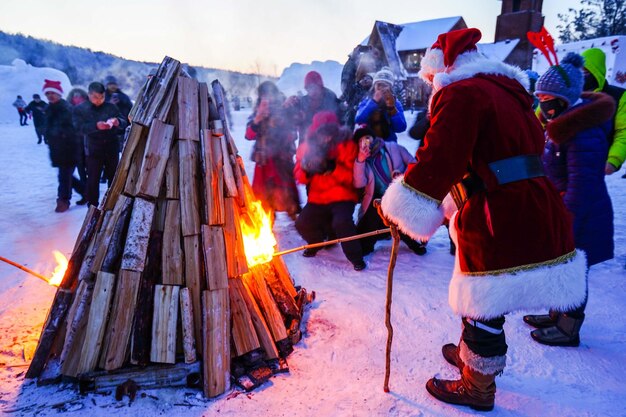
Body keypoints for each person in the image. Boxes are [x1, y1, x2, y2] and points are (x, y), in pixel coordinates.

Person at [378, 28, 586, 411]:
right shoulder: (508, 92)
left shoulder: (461, 93)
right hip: (530, 202)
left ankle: (478, 385)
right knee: (488, 294)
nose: (428, 83)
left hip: (499, 211)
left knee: (483, 298)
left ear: (444, 68)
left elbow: (441, 157)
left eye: (429, 76)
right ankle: (470, 355)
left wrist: (402, 202)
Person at [522, 53, 615, 346]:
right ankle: (557, 313)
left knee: (574, 269)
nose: (542, 103)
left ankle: (569, 327)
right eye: (540, 97)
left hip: (581, 213)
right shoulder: (562, 123)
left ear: (564, 98)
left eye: (547, 97)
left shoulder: (582, 131)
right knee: (561, 267)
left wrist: (566, 221)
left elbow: (582, 184)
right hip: (563, 208)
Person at [294, 111, 365, 271]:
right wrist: (308, 169)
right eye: (322, 133)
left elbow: (350, 177)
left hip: (342, 195)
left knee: (342, 222)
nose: (325, 137)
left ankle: (355, 257)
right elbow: (299, 176)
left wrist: (332, 168)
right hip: (318, 197)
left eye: (329, 132)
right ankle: (317, 242)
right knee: (302, 223)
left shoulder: (346, 145)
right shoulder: (307, 147)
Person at [352, 126, 426, 255]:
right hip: (378, 197)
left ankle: (414, 240)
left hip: (401, 193)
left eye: (367, 138)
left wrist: (403, 177)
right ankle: (367, 245)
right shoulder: (361, 159)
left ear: (373, 138)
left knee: (398, 213)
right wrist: (361, 161)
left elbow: (414, 165)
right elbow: (359, 183)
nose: (366, 142)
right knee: (374, 214)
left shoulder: (393, 148)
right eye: (361, 141)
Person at [245, 81, 300, 220]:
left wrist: (282, 117)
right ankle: (266, 223)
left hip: (282, 160)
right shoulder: (259, 111)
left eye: (269, 94)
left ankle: (299, 222)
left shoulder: (285, 108)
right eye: (264, 95)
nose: (267, 98)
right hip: (264, 161)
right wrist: (258, 119)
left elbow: (292, 132)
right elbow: (248, 135)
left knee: (288, 198)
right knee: (263, 198)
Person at [73, 82, 127, 207]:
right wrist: (95, 126)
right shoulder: (81, 109)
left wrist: (117, 122)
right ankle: (92, 207)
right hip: (93, 148)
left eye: (102, 97)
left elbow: (124, 122)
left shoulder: (111, 107)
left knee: (113, 178)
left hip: (111, 147)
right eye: (95, 97)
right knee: (93, 179)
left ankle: (112, 204)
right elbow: (78, 128)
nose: (99, 100)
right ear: (89, 95)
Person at [580, 48, 626, 176]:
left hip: (597, 164)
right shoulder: (570, 92)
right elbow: (541, 120)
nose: (582, 75)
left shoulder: (618, 96)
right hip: (560, 162)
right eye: (579, 71)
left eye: (586, 72)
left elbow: (623, 132)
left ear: (597, 72)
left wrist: (614, 159)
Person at [42, 80, 85, 212]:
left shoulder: (66, 109)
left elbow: (74, 129)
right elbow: (48, 127)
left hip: (68, 148)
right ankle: (86, 192)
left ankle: (63, 201)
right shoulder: (49, 108)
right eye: (48, 93)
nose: (50, 96)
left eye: (53, 93)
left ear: (59, 94)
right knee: (66, 176)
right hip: (57, 149)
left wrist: (58, 135)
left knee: (64, 177)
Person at [286, 71, 342, 143]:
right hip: (305, 145)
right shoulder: (302, 102)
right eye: (309, 88)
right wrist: (287, 105)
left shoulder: (331, 100)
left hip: (328, 144)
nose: (313, 91)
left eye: (316, 87)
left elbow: (340, 122)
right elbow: (288, 120)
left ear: (321, 87)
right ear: (306, 89)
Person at [354, 67, 407, 142]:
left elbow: (401, 128)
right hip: (369, 144)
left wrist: (392, 108)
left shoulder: (395, 103)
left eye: (385, 85)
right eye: (379, 85)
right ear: (374, 86)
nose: (381, 88)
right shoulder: (367, 101)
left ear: (390, 87)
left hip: (389, 145)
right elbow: (359, 120)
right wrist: (374, 102)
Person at [66, 88, 89, 191]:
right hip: (74, 143)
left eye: (80, 96)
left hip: (88, 141)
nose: (78, 98)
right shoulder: (68, 110)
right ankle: (84, 190)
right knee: (77, 167)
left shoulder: (90, 108)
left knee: (87, 168)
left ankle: (88, 190)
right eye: (75, 96)